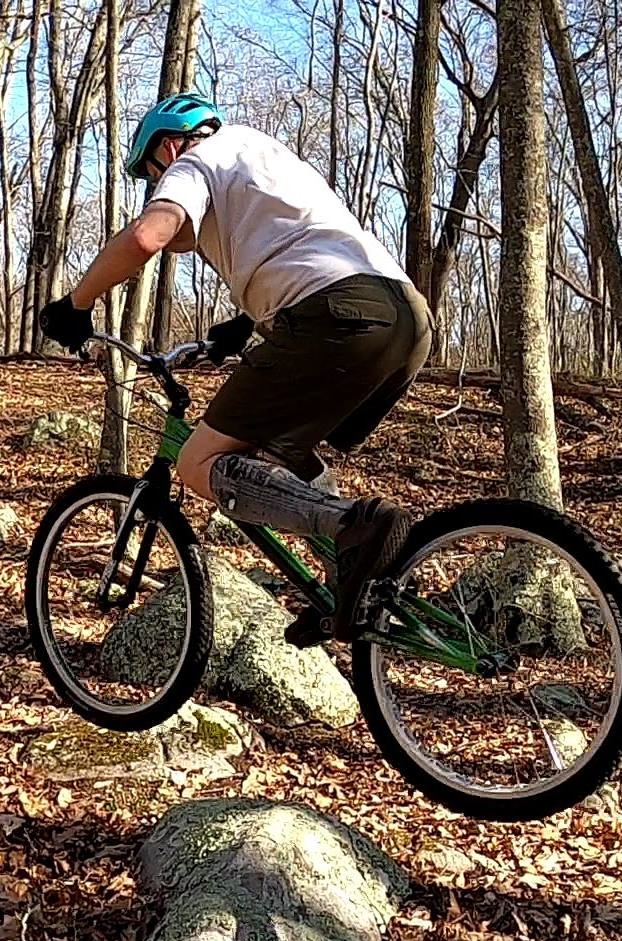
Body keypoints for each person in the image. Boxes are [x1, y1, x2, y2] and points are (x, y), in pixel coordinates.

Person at [39, 92, 434, 645]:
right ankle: (349, 582)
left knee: (199, 463)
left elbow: (145, 236)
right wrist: (243, 325)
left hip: (337, 315)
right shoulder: (264, 152)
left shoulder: (196, 160)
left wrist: (75, 304)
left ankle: (354, 528)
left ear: (168, 145)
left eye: (153, 175)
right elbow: (297, 240)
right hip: (405, 319)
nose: (157, 186)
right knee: (283, 454)